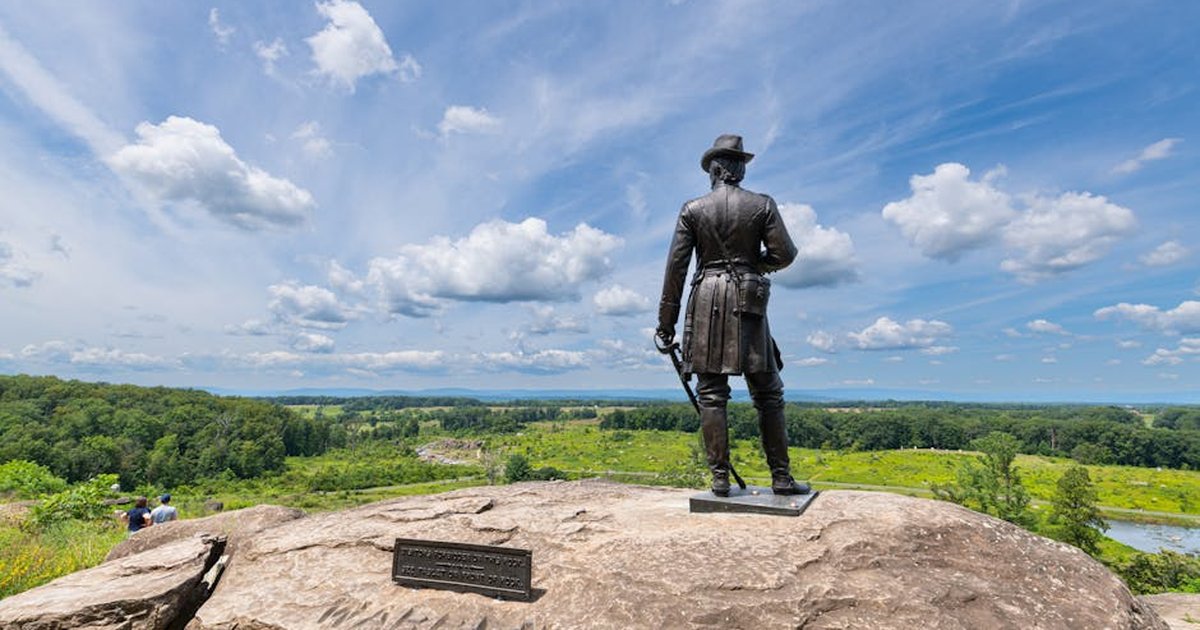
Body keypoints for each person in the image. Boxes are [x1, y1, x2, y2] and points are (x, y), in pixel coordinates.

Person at [657, 134, 812, 498]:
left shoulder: (692, 209)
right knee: (768, 393)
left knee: (712, 393)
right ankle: (781, 477)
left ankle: (720, 480)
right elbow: (785, 254)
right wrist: (751, 265)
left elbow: (675, 271)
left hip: (708, 297)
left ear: (714, 169)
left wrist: (666, 322)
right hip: (748, 299)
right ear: (738, 169)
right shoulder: (762, 205)